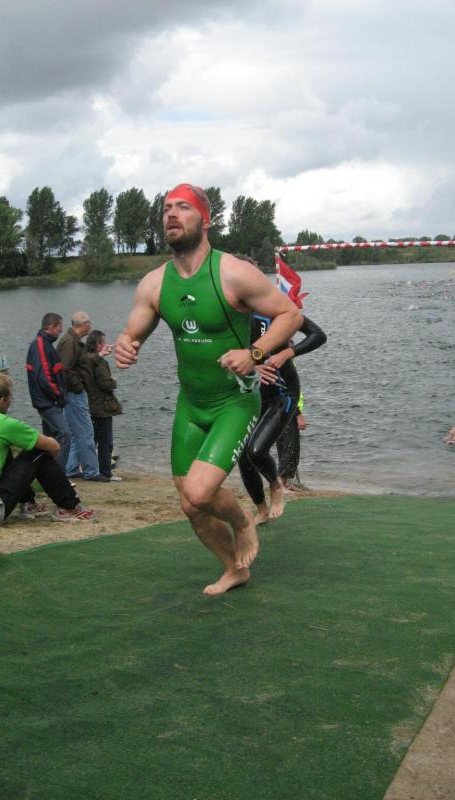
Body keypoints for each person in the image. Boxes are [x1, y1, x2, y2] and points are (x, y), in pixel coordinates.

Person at [115, 182, 302, 596]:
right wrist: (126, 345)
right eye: (167, 208)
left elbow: (290, 315)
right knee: (190, 504)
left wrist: (254, 353)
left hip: (234, 400)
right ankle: (234, 569)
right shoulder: (154, 284)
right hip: (191, 403)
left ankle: (243, 520)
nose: (172, 214)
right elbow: (132, 333)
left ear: (206, 220)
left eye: (183, 207)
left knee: (200, 492)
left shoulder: (232, 272)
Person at [0, 373, 96, 528]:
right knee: (39, 453)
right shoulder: (3, 424)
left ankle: (28, 503)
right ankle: (70, 506)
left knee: (0, 449)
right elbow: (54, 446)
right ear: (2, 401)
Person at [239, 315, 326, 524]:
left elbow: (318, 335)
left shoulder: (276, 311)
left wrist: (288, 352)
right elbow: (215, 356)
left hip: (283, 393)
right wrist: (251, 368)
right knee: (243, 458)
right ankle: (262, 510)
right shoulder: (229, 314)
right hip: (251, 395)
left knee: (256, 451)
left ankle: (276, 484)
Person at [57, 312, 107, 482]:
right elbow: (65, 369)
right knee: (86, 432)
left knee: (74, 432)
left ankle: (71, 468)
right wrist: (78, 386)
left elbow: (81, 364)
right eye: (89, 324)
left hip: (71, 393)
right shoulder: (70, 342)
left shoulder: (72, 341)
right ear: (84, 325)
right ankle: (91, 471)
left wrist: (99, 356)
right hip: (75, 394)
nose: (90, 327)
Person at [25, 312, 71, 469]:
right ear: (51, 327)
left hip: (49, 401)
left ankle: (47, 473)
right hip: (48, 402)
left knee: (50, 440)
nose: (61, 330)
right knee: (64, 435)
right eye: (59, 327)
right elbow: (44, 376)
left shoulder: (46, 344)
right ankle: (59, 476)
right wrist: (59, 395)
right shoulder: (40, 345)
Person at [85, 329, 123, 482]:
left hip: (91, 404)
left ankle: (89, 468)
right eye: (103, 342)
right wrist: (114, 381)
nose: (106, 344)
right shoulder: (101, 363)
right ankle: (106, 472)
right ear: (98, 345)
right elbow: (105, 384)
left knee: (92, 439)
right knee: (106, 442)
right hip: (102, 406)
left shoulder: (85, 359)